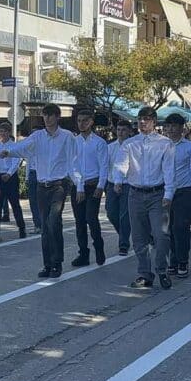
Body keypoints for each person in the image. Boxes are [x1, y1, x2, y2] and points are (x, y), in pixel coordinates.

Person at [1, 103, 81, 279]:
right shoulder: (38, 136)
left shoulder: (67, 137)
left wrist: (79, 184)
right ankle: (47, 264)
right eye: (45, 115)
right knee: (45, 226)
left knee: (54, 221)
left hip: (59, 184)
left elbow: (73, 162)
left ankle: (57, 263)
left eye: (51, 115)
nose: (47, 118)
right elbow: (23, 147)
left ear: (58, 117)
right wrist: (8, 151)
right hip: (41, 185)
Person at [113, 107, 176, 289]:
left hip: (157, 194)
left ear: (154, 122)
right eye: (140, 118)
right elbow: (121, 164)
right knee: (139, 237)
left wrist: (169, 193)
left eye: (146, 119)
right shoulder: (130, 143)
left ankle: (162, 270)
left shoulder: (165, 143)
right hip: (135, 194)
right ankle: (144, 274)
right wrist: (118, 180)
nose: (142, 122)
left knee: (161, 234)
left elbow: (169, 170)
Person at [164, 114, 191, 278]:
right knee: (167, 228)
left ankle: (182, 260)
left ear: (182, 128)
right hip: (165, 192)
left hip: (184, 191)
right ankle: (172, 260)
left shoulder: (190, 148)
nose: (171, 129)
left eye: (174, 126)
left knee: (180, 226)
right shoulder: (161, 146)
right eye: (168, 126)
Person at [70, 110, 109, 267]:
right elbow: (72, 166)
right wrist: (79, 186)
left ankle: (99, 248)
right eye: (79, 120)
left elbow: (104, 166)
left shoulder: (99, 143)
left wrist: (101, 185)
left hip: (93, 185)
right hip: (78, 186)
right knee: (79, 221)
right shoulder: (74, 142)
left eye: (85, 120)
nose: (82, 124)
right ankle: (83, 254)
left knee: (91, 218)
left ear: (91, 122)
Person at [0, 121, 27, 242]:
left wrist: (9, 174)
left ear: (9, 132)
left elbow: (16, 161)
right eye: (1, 131)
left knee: (15, 204)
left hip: (11, 178)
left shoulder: (14, 146)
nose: (3, 134)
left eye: (5, 131)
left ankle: (21, 228)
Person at [106, 120, 132, 256]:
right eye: (119, 129)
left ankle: (123, 244)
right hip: (111, 183)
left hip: (127, 184)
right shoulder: (110, 147)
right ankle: (124, 233)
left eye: (123, 130)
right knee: (111, 213)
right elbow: (106, 165)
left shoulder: (133, 146)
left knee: (124, 215)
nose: (120, 132)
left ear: (129, 131)